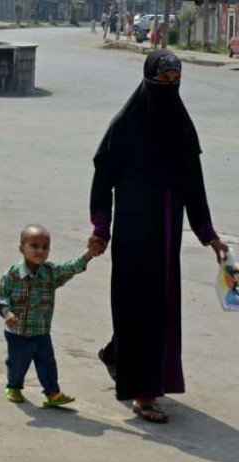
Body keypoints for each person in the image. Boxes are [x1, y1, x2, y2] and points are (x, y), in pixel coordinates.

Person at [89, 50, 228, 423]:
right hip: (134, 236)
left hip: (167, 237)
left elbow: (194, 187)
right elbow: (103, 176)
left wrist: (209, 236)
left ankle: (119, 354)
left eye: (174, 81)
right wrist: (101, 229)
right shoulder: (125, 125)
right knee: (140, 307)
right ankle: (144, 395)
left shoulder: (182, 127)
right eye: (162, 80)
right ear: (148, 80)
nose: (168, 87)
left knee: (159, 309)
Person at [0, 225, 95, 407]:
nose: (40, 251)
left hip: (41, 331)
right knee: (17, 363)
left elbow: (70, 268)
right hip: (17, 332)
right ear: (21, 248)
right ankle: (14, 387)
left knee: (47, 362)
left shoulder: (50, 273)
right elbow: (2, 300)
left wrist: (88, 255)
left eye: (45, 247)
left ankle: (52, 394)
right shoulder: (11, 275)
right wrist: (8, 314)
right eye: (34, 246)